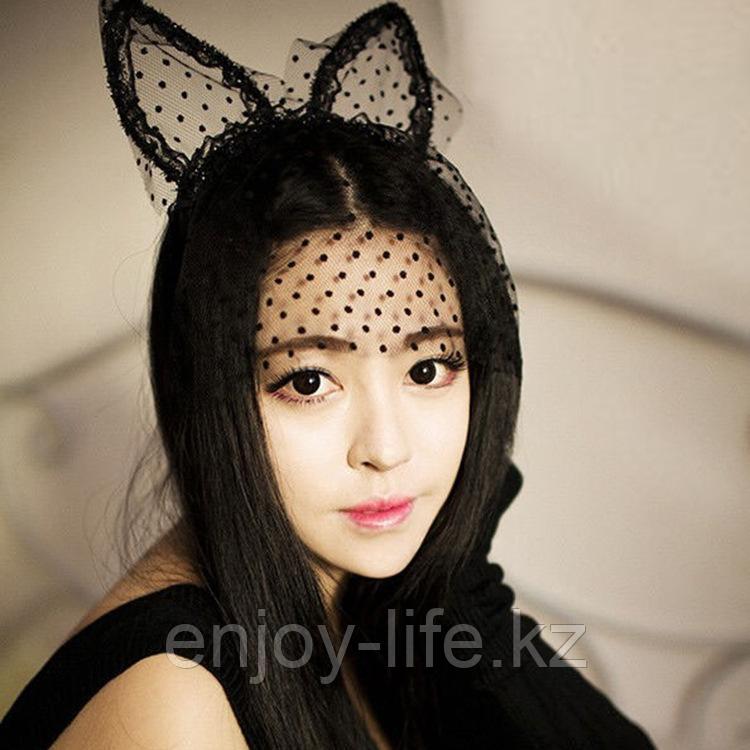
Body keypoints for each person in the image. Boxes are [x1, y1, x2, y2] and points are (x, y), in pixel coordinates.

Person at [0, 1, 657, 748]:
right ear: (210, 396)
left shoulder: (370, 616)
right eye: (309, 382)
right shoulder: (171, 700)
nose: (386, 448)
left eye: (428, 367)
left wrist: (464, 584)